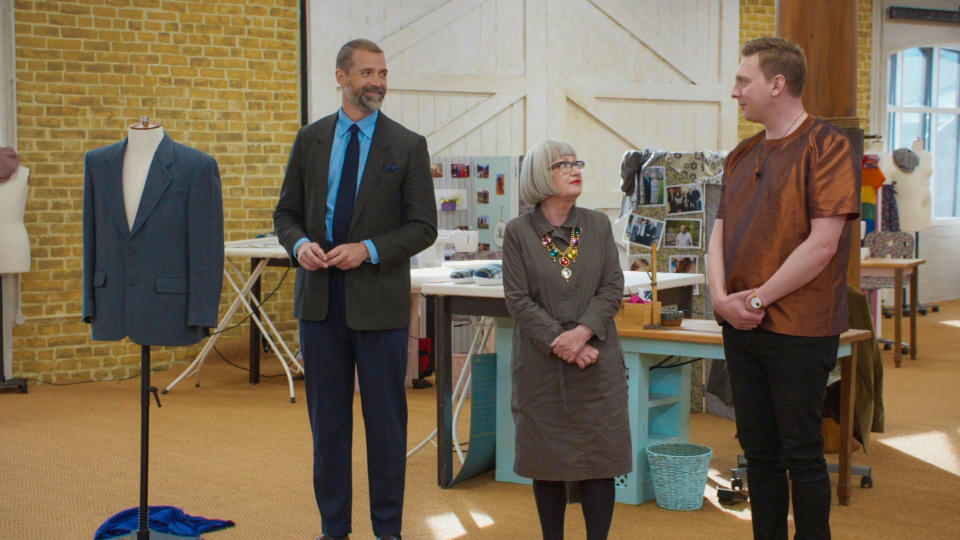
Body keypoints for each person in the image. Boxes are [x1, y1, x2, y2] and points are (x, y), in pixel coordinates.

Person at [273, 38, 437, 540]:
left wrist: (367, 248)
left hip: (379, 303)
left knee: (386, 427)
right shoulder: (310, 140)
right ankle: (334, 530)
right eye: (367, 73)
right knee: (328, 428)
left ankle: (388, 530)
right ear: (340, 77)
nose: (378, 83)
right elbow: (286, 214)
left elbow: (422, 227)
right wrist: (299, 244)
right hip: (319, 303)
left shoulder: (407, 146)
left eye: (383, 73)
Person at [708, 37, 859, 540]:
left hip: (800, 328)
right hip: (741, 324)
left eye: (742, 80)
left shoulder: (828, 146)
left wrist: (755, 299)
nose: (734, 92)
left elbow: (822, 244)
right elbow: (718, 235)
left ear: (777, 83)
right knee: (758, 452)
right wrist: (719, 299)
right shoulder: (740, 154)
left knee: (801, 451)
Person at [501, 140, 631, 540]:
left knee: (598, 460)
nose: (575, 169)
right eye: (563, 164)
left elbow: (613, 287)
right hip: (543, 368)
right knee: (548, 461)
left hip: (597, 363)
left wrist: (581, 333)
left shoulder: (596, 225)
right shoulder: (518, 233)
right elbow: (518, 300)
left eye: (578, 162)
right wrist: (562, 342)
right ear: (540, 174)